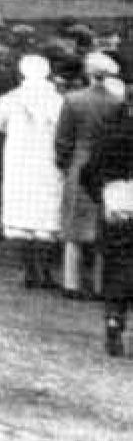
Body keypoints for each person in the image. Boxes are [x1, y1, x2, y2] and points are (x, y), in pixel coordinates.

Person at [0, 54, 65, 289]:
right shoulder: (58, 101)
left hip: (19, 161)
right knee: (46, 213)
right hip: (47, 160)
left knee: (22, 213)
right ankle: (46, 271)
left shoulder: (10, 100)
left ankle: (29, 271)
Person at [54, 51, 123, 299]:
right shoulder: (117, 103)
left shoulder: (73, 100)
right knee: (102, 226)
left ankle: (71, 282)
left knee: (73, 225)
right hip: (106, 165)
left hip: (79, 163)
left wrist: (63, 164)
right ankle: (99, 283)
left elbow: (63, 139)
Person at [80, 100, 133, 357]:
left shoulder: (110, 134)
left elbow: (88, 172)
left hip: (116, 203)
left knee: (116, 264)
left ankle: (114, 318)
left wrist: (101, 196)